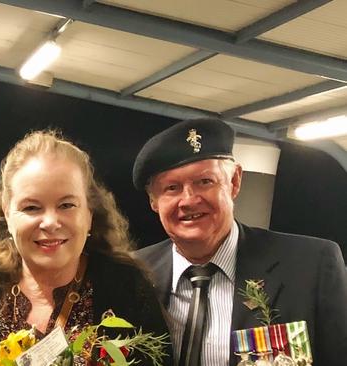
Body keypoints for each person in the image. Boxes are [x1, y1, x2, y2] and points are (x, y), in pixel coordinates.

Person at [0, 130, 172, 365]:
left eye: (66, 205)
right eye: (31, 207)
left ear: (90, 213)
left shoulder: (127, 288)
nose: (50, 222)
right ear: (7, 214)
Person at [132, 118, 347, 366]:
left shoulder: (311, 265)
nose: (189, 200)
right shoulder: (132, 273)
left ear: (234, 181)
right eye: (172, 188)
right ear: (154, 201)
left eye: (205, 181)